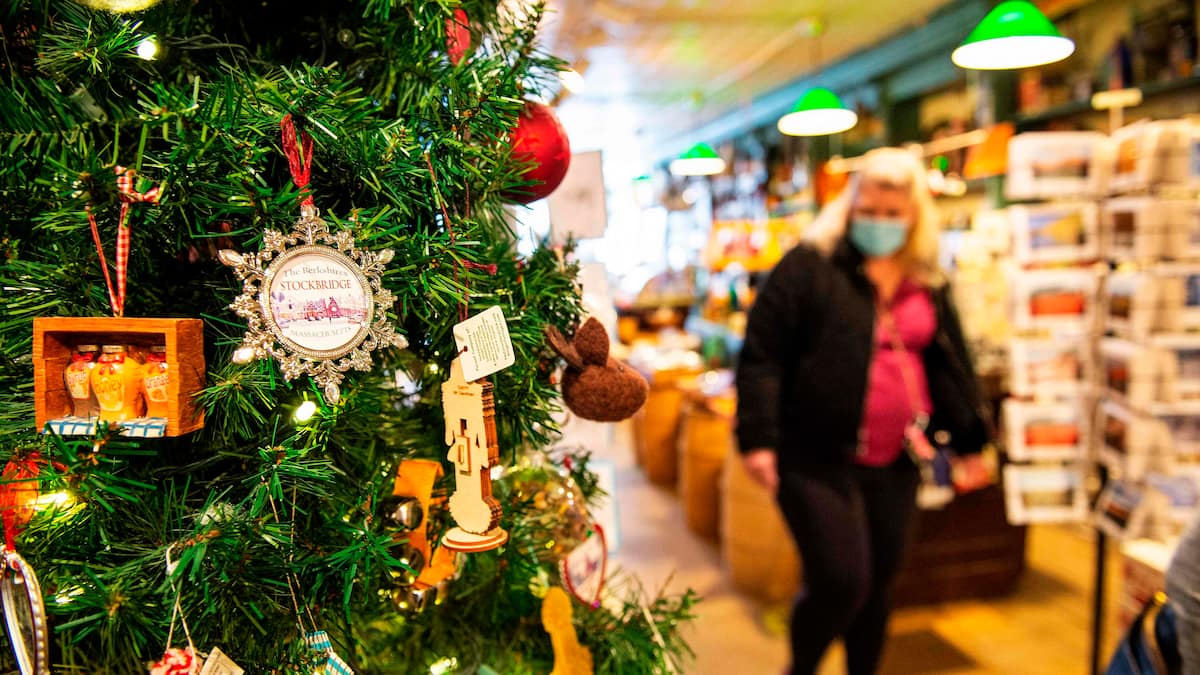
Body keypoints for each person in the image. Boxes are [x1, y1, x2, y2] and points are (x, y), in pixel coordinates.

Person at [734, 147, 991, 675]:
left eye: (892, 214)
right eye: (867, 211)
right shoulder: (810, 265)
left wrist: (969, 442)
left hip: (896, 460)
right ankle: (800, 669)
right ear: (849, 207)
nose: (878, 223)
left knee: (878, 588)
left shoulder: (926, 278)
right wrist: (757, 437)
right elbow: (762, 355)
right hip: (814, 456)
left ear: (915, 215)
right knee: (840, 579)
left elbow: (949, 363)